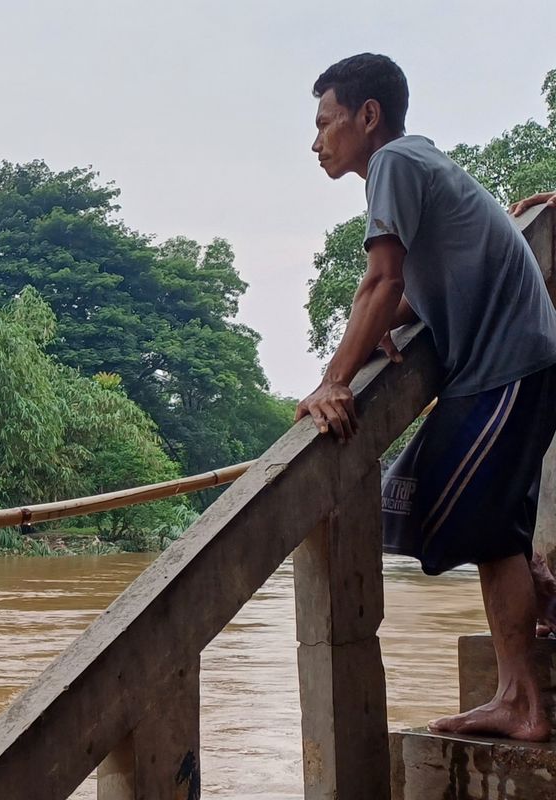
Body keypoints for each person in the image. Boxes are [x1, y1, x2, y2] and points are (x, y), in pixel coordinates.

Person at [299, 53, 556, 742]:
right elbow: (407, 288)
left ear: (367, 116)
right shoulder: (415, 163)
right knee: (410, 497)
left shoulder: (393, 165)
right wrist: (388, 323)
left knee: (480, 523)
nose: (317, 140)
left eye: (326, 122)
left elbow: (381, 282)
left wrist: (335, 380)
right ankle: (542, 600)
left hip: (508, 364)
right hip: (503, 364)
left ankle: (522, 702)